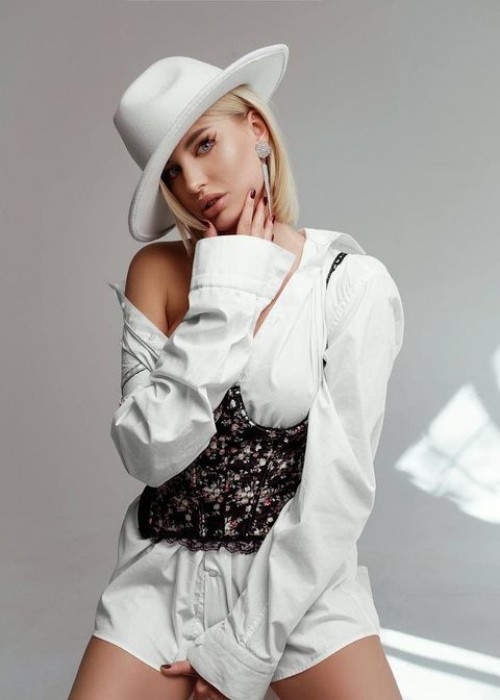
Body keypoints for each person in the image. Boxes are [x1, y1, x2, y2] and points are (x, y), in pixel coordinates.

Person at [68, 44, 405, 700]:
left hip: (296, 590)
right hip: (160, 582)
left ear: (256, 130)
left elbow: (337, 495)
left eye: (204, 144)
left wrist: (242, 653)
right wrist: (225, 292)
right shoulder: (158, 273)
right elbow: (149, 453)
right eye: (172, 172)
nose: (193, 183)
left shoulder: (349, 286)